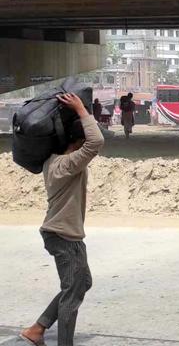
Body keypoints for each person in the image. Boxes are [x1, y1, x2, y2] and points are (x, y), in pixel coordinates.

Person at [20, 93, 104, 346]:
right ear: (77, 143)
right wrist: (80, 109)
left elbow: (91, 143)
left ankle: (37, 328)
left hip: (66, 233)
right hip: (62, 235)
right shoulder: (66, 165)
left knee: (83, 282)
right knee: (72, 292)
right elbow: (96, 141)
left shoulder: (55, 161)